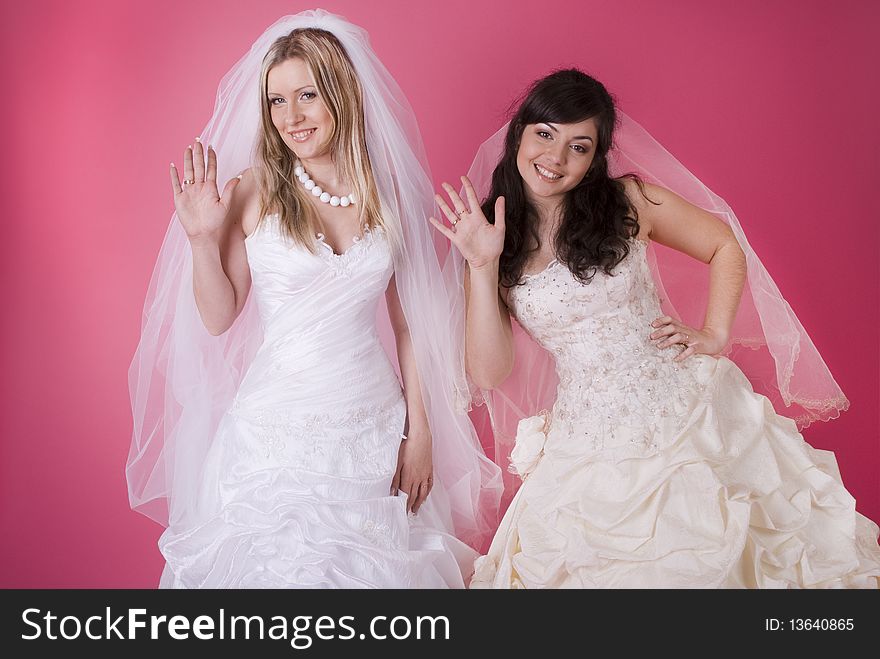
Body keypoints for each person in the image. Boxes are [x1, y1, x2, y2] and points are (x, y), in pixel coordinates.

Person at [432, 68, 880, 588]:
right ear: (520, 134)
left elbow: (724, 245)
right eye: (545, 135)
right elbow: (490, 371)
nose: (555, 159)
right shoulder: (489, 237)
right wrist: (483, 267)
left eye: (579, 146)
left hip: (683, 413)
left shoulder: (628, 201)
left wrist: (714, 334)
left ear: (595, 158)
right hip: (586, 437)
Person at [127, 10, 501, 589]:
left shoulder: (386, 195)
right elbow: (220, 316)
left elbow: (411, 328)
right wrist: (202, 239)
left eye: (306, 95)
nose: (291, 117)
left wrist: (420, 432)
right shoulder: (252, 189)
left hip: (373, 425)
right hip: (276, 432)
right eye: (276, 101)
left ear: (341, 94)